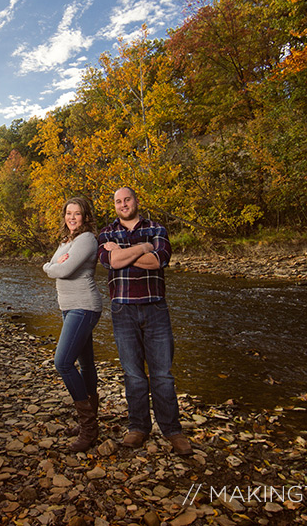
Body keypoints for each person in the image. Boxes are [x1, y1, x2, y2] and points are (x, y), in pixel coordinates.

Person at [97, 187, 192, 455]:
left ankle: (173, 431)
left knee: (162, 374)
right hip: (123, 310)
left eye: (127, 199)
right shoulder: (106, 233)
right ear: (114, 206)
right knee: (134, 375)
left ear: (136, 201)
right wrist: (143, 247)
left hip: (155, 308)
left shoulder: (157, 228)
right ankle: (138, 427)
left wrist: (126, 253)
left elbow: (158, 261)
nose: (123, 204)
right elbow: (111, 262)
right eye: (118, 201)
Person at [42, 196, 104, 452]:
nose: (72, 217)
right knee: (86, 364)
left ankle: (89, 428)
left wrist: (49, 265)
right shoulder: (67, 241)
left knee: (63, 363)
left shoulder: (88, 240)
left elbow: (62, 270)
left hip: (84, 306)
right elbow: (55, 265)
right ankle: (91, 420)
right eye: (69, 213)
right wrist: (53, 264)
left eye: (77, 213)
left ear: (85, 216)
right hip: (69, 308)